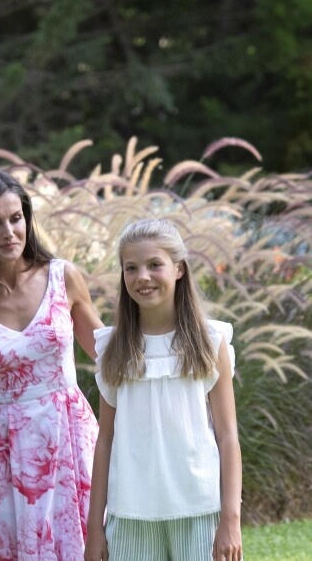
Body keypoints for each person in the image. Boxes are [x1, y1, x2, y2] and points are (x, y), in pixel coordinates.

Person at [0, 169, 104, 559]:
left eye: (16, 218)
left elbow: (109, 356)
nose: (9, 232)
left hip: (70, 432)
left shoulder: (62, 276)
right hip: (4, 448)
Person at [84, 218, 242, 561]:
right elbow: (105, 440)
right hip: (130, 514)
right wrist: (94, 528)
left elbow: (228, 435)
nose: (142, 276)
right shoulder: (112, 347)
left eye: (155, 264)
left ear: (179, 269)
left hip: (199, 509)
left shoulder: (209, 342)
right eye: (131, 268)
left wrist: (231, 519)